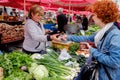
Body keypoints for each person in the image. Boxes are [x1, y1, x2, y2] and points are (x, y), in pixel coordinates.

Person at [58, 0, 120, 80]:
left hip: (109, 76)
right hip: (101, 73)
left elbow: (115, 62)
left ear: (101, 16)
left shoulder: (115, 35)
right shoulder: (103, 31)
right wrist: (67, 37)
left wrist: (92, 50)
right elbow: (87, 38)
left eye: (94, 14)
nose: (92, 17)